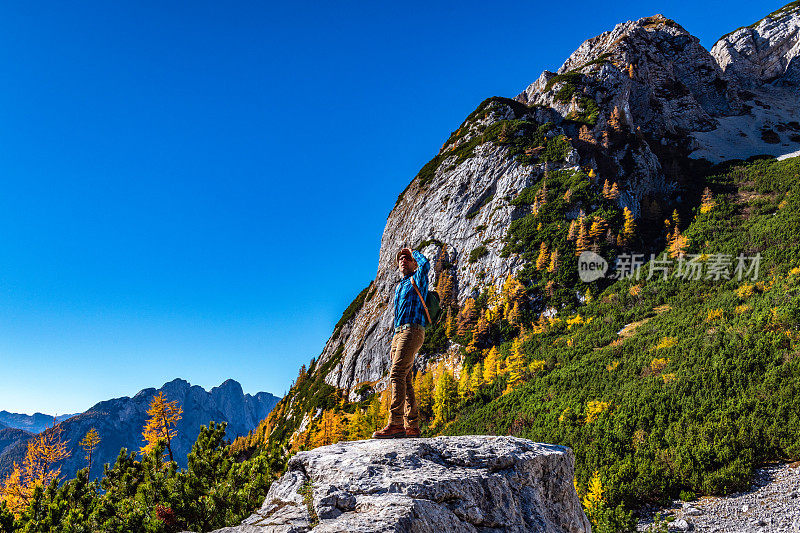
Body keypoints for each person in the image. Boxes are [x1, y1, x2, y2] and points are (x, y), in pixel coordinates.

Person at [372, 247, 430, 439]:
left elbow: (426, 264)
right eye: (400, 259)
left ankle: (395, 423)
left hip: (413, 330)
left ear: (413, 263)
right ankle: (412, 426)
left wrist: (414, 252)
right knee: (404, 378)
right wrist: (393, 343)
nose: (403, 260)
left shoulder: (418, 279)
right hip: (399, 333)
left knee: (396, 373)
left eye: (407, 259)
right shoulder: (399, 286)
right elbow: (397, 316)